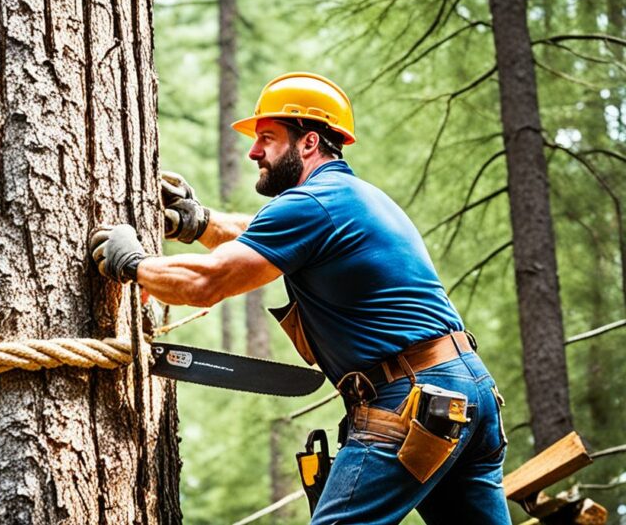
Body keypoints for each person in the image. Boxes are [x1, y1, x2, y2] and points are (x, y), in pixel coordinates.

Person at [90, 72, 512, 523]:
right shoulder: (349, 197)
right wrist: (198, 223)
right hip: (467, 396)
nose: (255, 151)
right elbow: (263, 235)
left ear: (308, 143)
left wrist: (131, 263)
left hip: (412, 398)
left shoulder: (313, 204)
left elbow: (205, 283)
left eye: (267, 138)